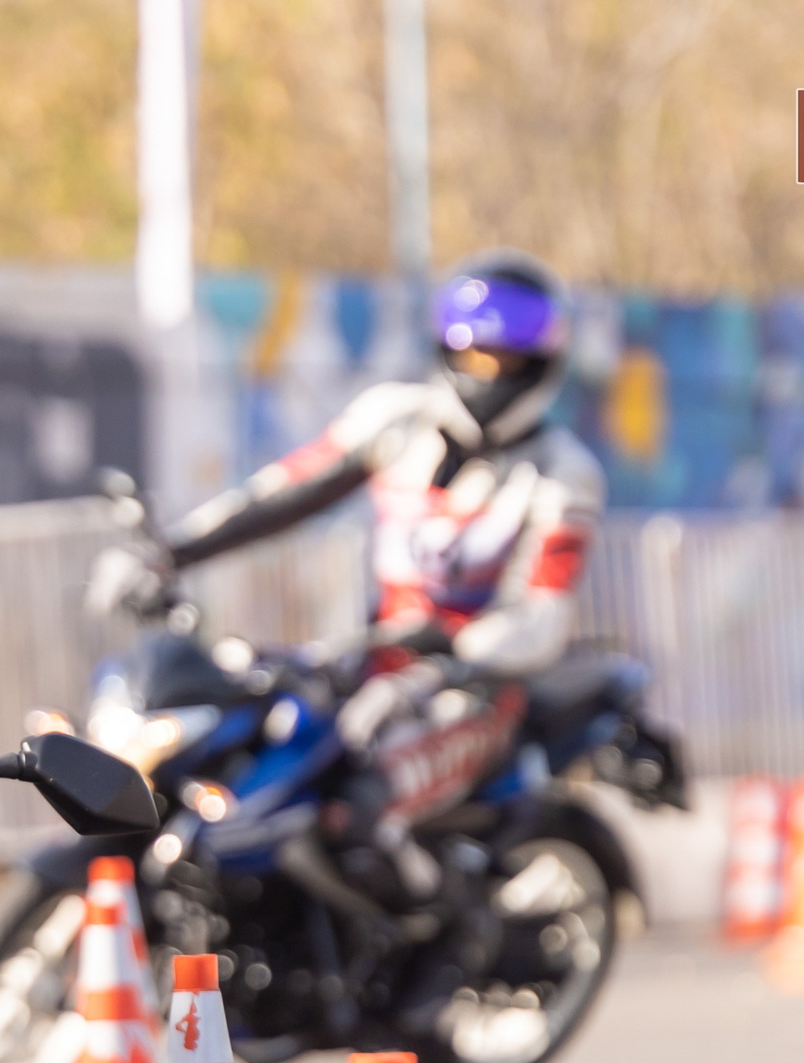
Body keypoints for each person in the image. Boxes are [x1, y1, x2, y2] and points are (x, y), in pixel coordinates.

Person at [159, 250, 603, 914]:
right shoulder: (397, 419)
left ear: (541, 366)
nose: (488, 374)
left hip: (473, 694)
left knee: (364, 807)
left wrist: (455, 646)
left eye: (506, 361)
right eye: (475, 355)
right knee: (247, 754)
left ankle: (437, 952)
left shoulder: (563, 470)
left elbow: (542, 611)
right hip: (364, 661)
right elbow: (283, 492)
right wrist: (168, 553)